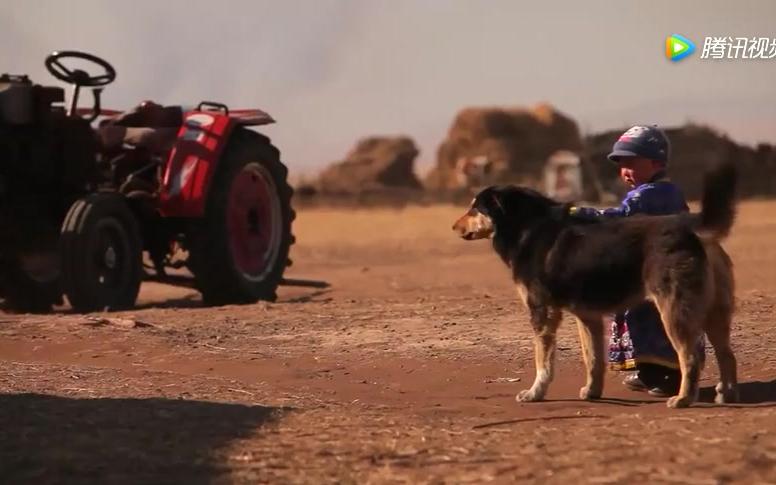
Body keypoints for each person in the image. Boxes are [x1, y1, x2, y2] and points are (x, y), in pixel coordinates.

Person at [569, 124, 703, 397]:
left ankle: (665, 377)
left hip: (658, 271)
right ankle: (653, 372)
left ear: (656, 162)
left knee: (659, 322)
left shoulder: (649, 194)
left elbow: (619, 218)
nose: (625, 172)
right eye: (621, 165)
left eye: (631, 163)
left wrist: (579, 213)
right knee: (659, 322)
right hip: (656, 267)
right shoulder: (667, 190)